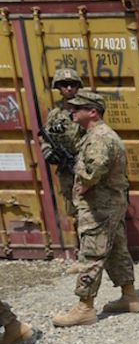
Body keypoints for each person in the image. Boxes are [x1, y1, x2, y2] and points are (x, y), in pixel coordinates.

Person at [51, 90, 139, 327]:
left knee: (91, 253)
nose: (73, 112)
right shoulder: (96, 134)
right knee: (116, 249)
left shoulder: (99, 137)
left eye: (78, 108)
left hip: (99, 205)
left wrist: (83, 183)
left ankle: (85, 307)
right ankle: (129, 296)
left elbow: (96, 167)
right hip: (111, 204)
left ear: (93, 112)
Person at [40, 68, 85, 230]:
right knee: (72, 208)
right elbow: (46, 136)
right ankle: (80, 246)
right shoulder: (55, 114)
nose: (69, 88)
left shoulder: (85, 110)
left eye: (72, 84)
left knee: (89, 208)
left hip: (85, 166)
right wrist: (48, 153)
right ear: (58, 88)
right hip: (66, 169)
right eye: (64, 85)